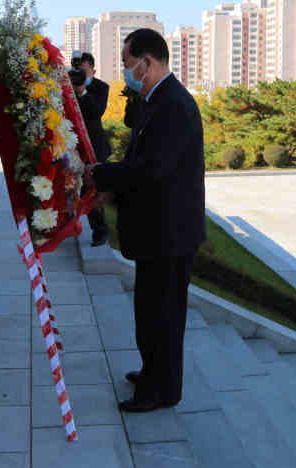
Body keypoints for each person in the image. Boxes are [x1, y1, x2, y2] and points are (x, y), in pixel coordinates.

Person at [87, 28, 205, 413]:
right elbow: (141, 160)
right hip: (157, 230)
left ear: (147, 62)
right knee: (151, 312)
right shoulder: (154, 98)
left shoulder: (173, 104)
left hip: (170, 233)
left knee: (164, 316)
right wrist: (109, 182)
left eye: (126, 63)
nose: (125, 71)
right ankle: (154, 372)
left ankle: (162, 390)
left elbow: (151, 169)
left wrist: (99, 175)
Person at [72, 51, 112, 246]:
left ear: (93, 71)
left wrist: (82, 91)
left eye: (85, 72)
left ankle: (100, 231)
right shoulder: (66, 86)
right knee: (66, 186)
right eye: (78, 71)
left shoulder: (101, 87)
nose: (80, 75)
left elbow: (97, 112)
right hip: (71, 145)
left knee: (93, 188)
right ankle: (64, 227)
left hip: (94, 146)